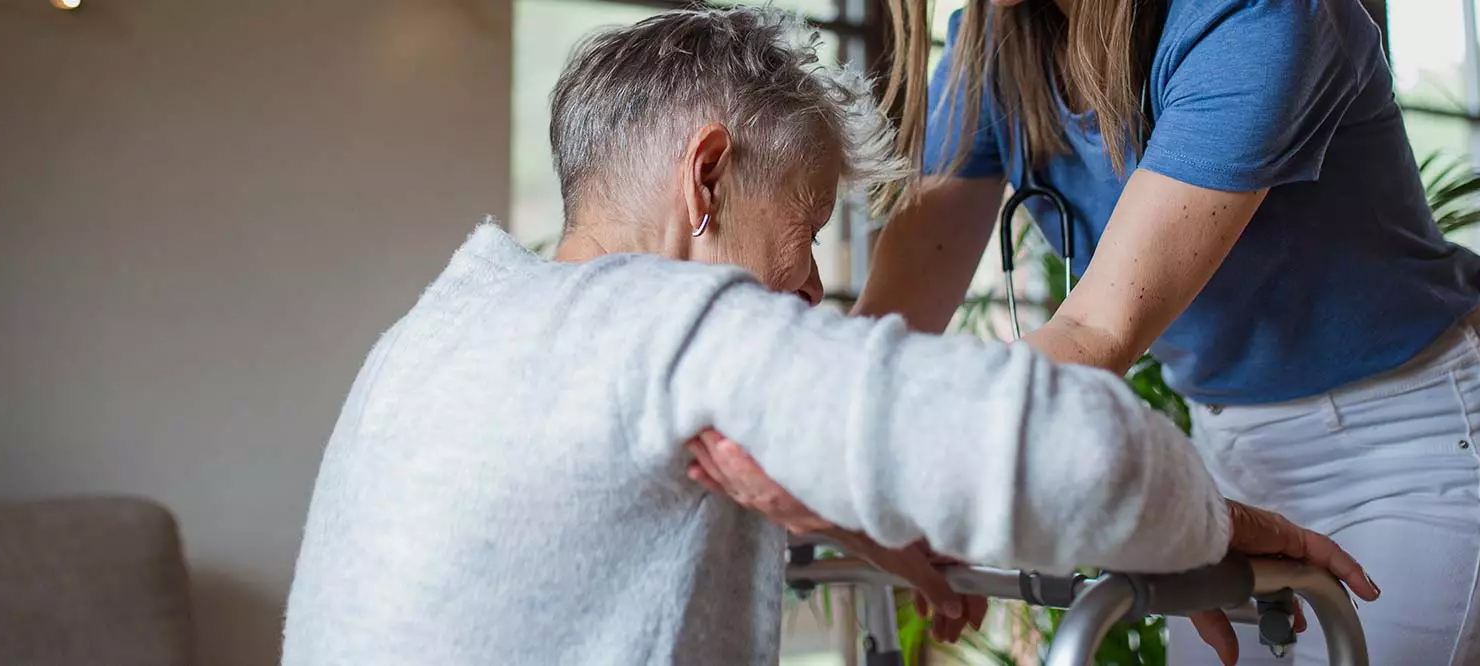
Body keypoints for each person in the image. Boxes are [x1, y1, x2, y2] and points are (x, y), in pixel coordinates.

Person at [279, 7, 1374, 666]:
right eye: (801, 230)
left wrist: (862, 501)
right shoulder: (668, 327)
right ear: (706, 177)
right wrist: (1203, 523)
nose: (810, 291)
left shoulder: (449, 326)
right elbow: (1085, 454)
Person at [688, 1, 1480, 664]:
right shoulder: (993, 44)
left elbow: (1097, 331)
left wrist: (883, 481)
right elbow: (891, 332)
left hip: (1410, 444)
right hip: (1230, 450)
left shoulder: (1256, 16)